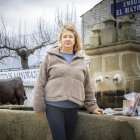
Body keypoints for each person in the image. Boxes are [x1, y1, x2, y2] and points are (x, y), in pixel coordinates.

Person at [33, 24, 103, 140]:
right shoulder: (50, 57)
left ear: (75, 40)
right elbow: (40, 82)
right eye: (65, 36)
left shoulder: (81, 60)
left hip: (73, 107)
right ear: (60, 40)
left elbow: (87, 86)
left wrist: (93, 106)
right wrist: (39, 106)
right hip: (53, 106)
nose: (67, 39)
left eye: (71, 37)